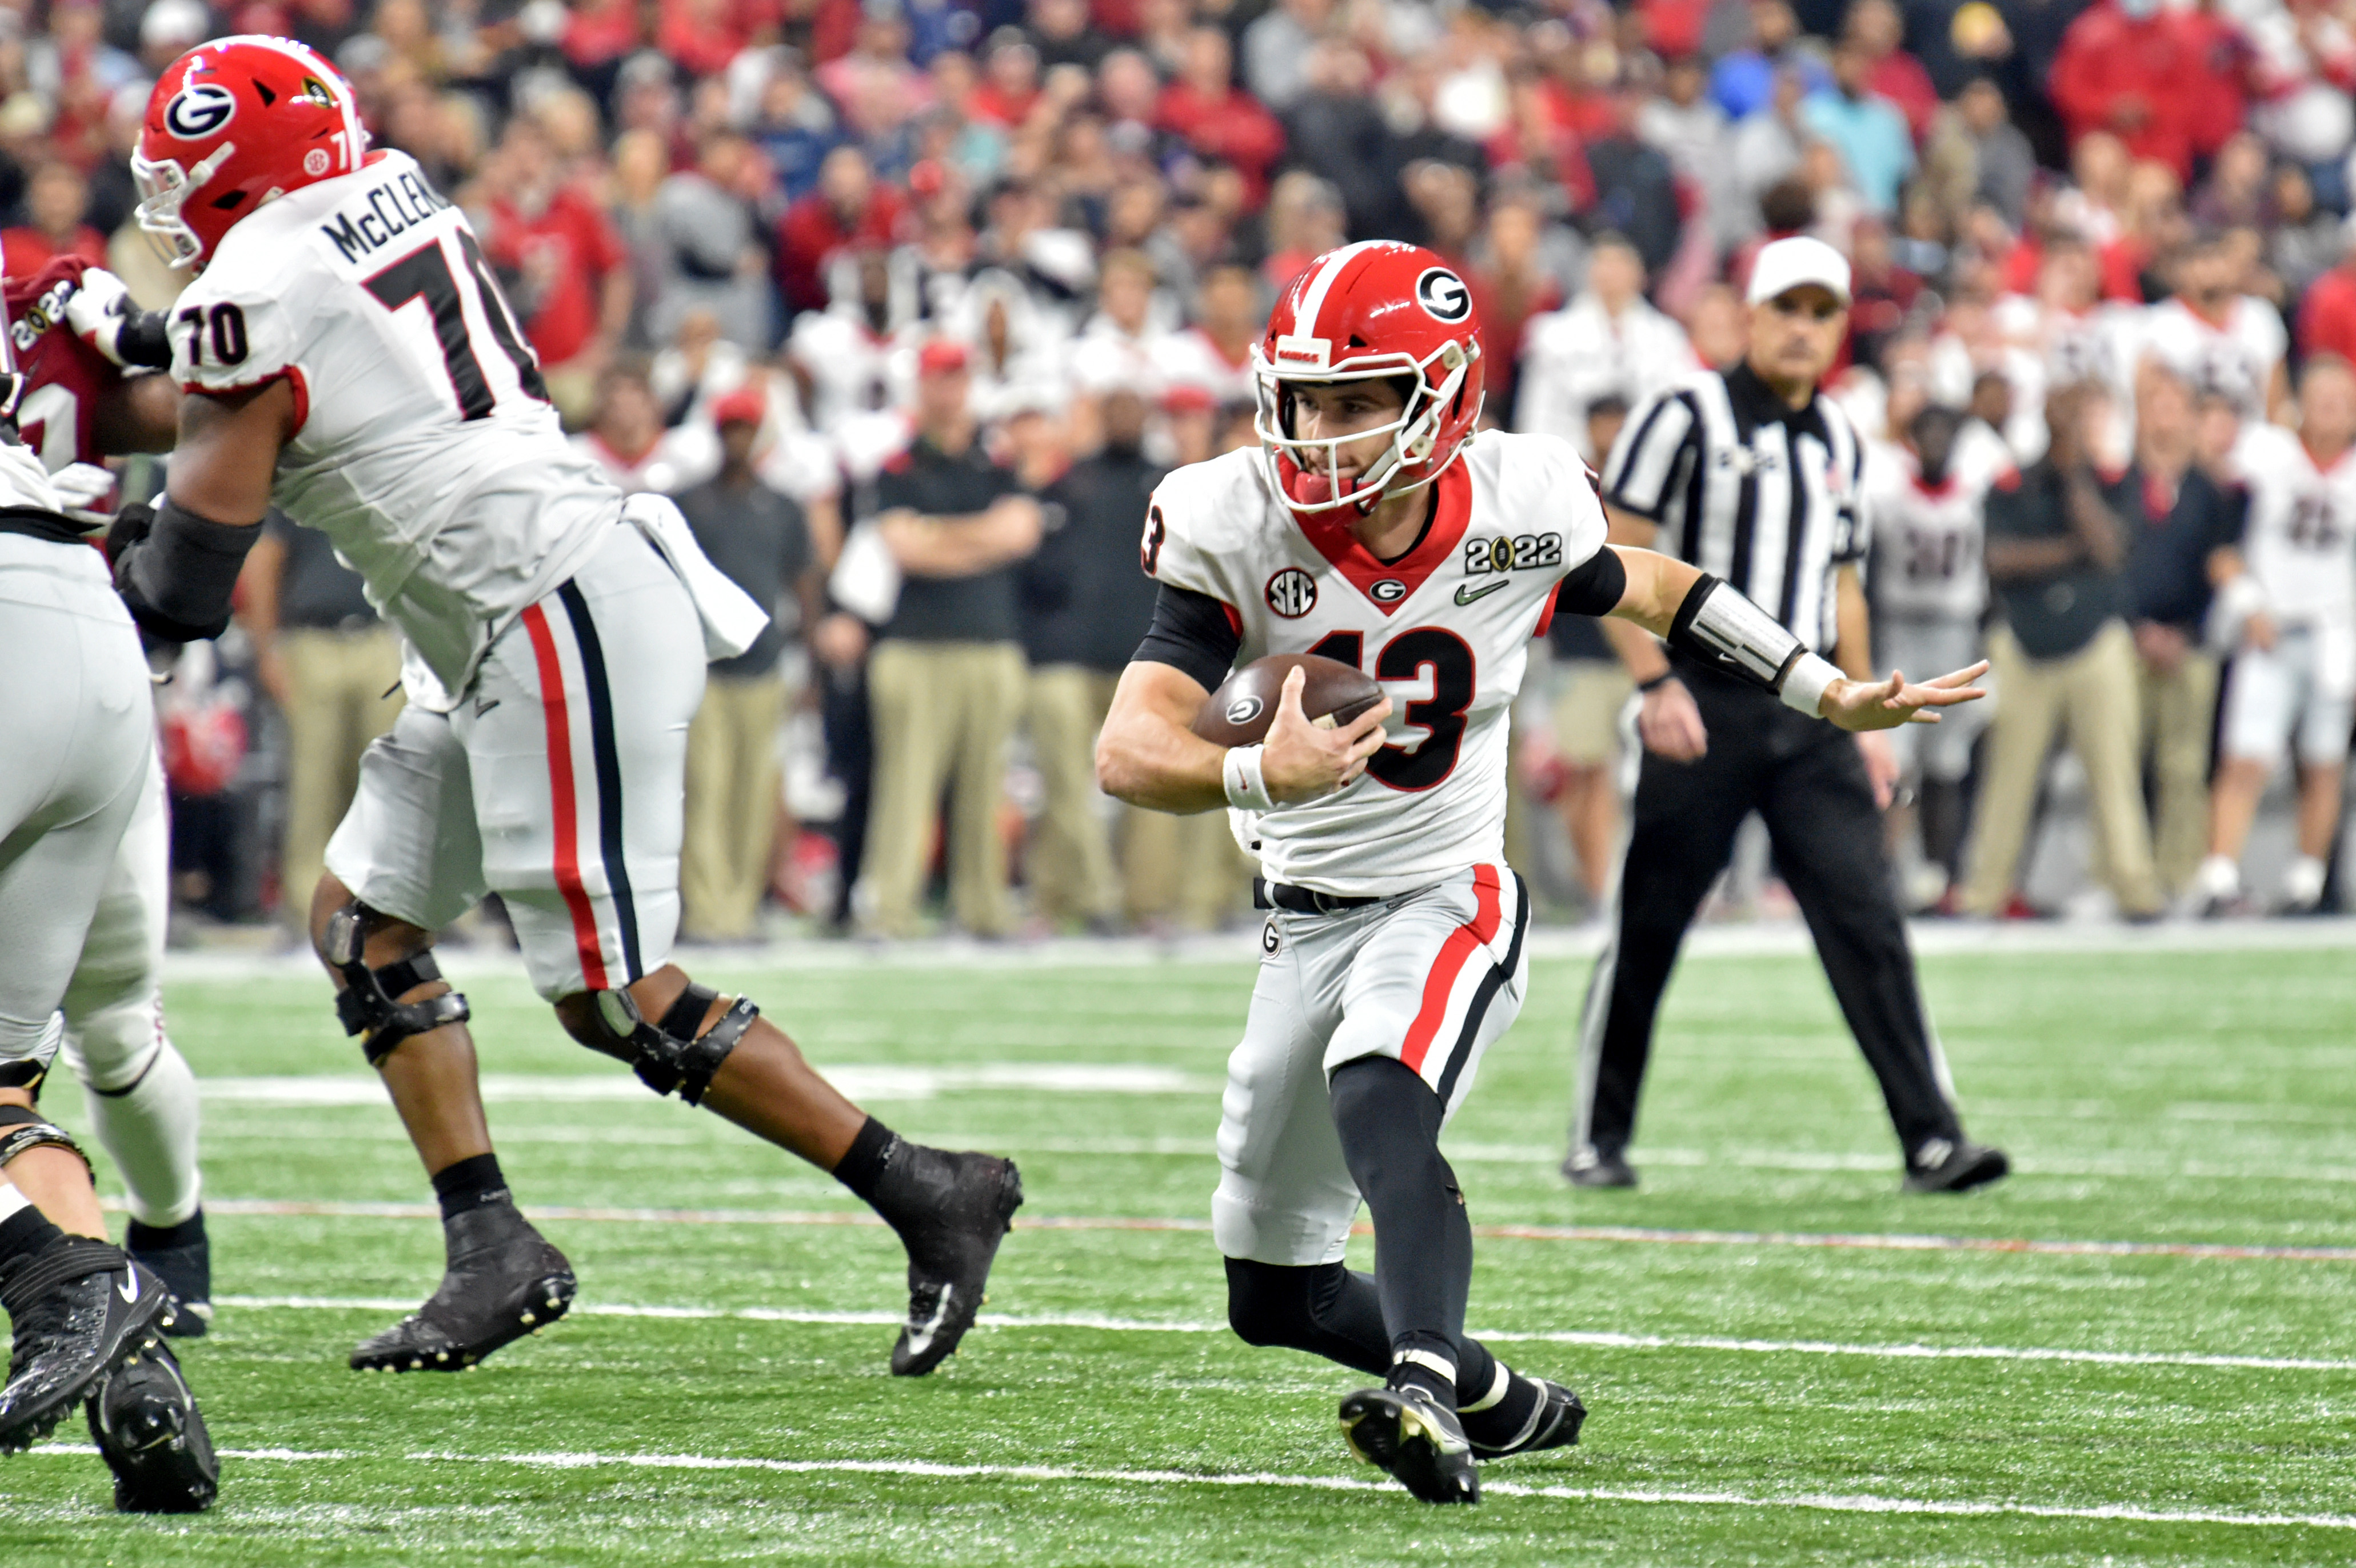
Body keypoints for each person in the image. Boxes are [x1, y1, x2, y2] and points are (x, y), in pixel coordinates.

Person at [104, 37, 1020, 1382]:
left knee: (618, 999)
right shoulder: (374, 196)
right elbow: (222, 382)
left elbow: (194, 557)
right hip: (501, 613)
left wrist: (72, 534)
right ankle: (493, 1249)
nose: (174, 213)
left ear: (237, 179)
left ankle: (928, 1191)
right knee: (364, 930)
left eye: (188, 183)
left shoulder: (257, 286)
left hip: (545, 604)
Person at [1095, 239, 1982, 1504]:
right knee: (1271, 1293)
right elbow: (1127, 752)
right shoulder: (1229, 517)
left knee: (1381, 1081)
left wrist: (1823, 686)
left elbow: (1658, 590)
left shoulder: (1522, 500)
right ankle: (1497, 1397)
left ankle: (1420, 1389)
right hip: (1301, 916)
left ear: (1446, 395)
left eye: (1360, 401)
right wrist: (1255, 776)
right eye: (1308, 400)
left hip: (1450, 886)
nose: (1325, 432)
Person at [1568, 237, 2007, 1197]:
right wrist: (1653, 685)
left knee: (1868, 920)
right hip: (1705, 695)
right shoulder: (1680, 413)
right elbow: (1616, 562)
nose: (1804, 329)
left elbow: (1841, 585)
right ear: (1751, 314)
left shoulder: (1845, 436)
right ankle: (1596, 1133)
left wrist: (1866, 712)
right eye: (1788, 309)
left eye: (1822, 313)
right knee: (1649, 920)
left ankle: (1931, 1135)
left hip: (1810, 713)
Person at [0, 259, 216, 1510]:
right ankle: (132, 1369)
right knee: (14, 1075)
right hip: (89, 616)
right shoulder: (47, 294)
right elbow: (197, 386)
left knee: (113, 1029)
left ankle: (74, 1278)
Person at [856, 339, 1043, 938]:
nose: (948, 390)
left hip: (990, 640)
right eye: (938, 378)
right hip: (913, 644)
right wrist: (979, 540)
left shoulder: (997, 458)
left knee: (985, 786)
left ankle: (984, 907)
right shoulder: (897, 464)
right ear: (921, 384)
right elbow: (903, 547)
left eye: (957, 378)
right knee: (906, 785)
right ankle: (891, 909)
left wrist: (941, 537)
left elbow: (1021, 533)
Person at [1960, 383, 2166, 919]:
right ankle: (1985, 890)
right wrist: (2073, 551)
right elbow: (1998, 558)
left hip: (2095, 639)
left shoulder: (2113, 481)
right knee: (2008, 780)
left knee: (2114, 774)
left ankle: (2134, 887)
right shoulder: (2013, 481)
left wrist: (2075, 476)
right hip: (2024, 641)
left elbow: (2110, 548)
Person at [2194, 357, 2356, 915]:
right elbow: (2218, 538)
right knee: (2245, 757)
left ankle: (2307, 883)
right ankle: (2218, 877)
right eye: (2322, 395)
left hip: (2334, 632)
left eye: (2342, 397)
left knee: (2324, 760)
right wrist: (2247, 604)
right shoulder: (2267, 456)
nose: (2332, 408)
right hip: (2270, 626)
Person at [672, 383, 818, 942]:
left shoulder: (782, 505)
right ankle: (710, 910)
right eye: (729, 427)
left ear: (759, 434)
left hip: (764, 664)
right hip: (703, 668)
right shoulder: (690, 503)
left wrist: (811, 664)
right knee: (704, 789)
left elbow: (803, 581)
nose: (737, 437)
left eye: (745, 427)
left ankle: (741, 904)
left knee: (754, 791)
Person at [1020, 386, 1164, 929]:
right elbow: (1035, 570)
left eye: (1134, 407)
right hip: (1066, 653)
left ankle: (1145, 904)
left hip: (1145, 654)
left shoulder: (1171, 485)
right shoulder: (1067, 484)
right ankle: (1076, 901)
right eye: (1115, 408)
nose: (1125, 417)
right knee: (1064, 786)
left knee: (1152, 788)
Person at [1864, 403, 2009, 906]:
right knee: (1895, 762)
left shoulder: (1975, 493)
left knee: (1947, 764)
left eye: (1945, 433)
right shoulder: (1887, 493)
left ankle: (1943, 878)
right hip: (1900, 630)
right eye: (1926, 433)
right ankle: (1888, 871)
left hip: (1955, 632)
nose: (1935, 444)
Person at [243, 512, 405, 941]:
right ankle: (307, 913)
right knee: (311, 783)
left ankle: (393, 910)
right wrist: (266, 649)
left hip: (377, 637)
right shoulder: (300, 480)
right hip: (311, 641)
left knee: (391, 782)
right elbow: (266, 558)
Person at [2118, 367, 2245, 901]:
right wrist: (2136, 626)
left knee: (2185, 766)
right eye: (2156, 405)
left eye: (2176, 406)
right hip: (2124, 639)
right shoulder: (2119, 482)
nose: (2166, 417)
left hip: (2189, 642)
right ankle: (2126, 878)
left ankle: (2180, 874)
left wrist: (2183, 629)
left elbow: (2220, 567)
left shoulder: (2212, 491)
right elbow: (2108, 563)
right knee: (2120, 764)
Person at [1514, 235, 1699, 465]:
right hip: (1570, 466)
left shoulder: (1668, 336)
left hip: (1647, 466)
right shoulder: (1551, 335)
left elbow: (1680, 411)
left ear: (1640, 275)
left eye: (1621, 264)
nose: (1611, 274)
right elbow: (1537, 415)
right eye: (1603, 263)